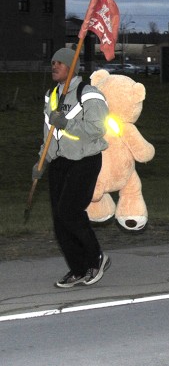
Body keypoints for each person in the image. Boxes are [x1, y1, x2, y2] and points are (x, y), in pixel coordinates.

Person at [32, 47, 111, 288]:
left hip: (84, 160)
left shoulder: (88, 94)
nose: (54, 66)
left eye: (60, 63)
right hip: (60, 162)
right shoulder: (51, 95)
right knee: (59, 219)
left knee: (69, 211)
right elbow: (49, 133)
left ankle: (95, 258)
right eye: (53, 62)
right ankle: (77, 268)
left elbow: (98, 129)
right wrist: (41, 161)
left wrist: (66, 123)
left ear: (72, 67)